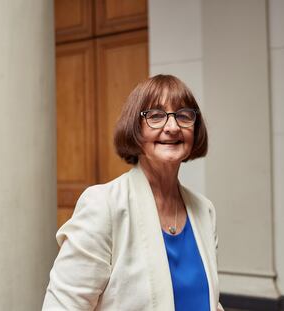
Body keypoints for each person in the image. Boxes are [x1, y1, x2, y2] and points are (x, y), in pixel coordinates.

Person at [42, 74, 224, 311]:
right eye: (156, 116)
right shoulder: (103, 205)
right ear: (135, 129)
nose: (172, 126)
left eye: (183, 115)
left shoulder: (204, 210)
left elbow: (207, 301)